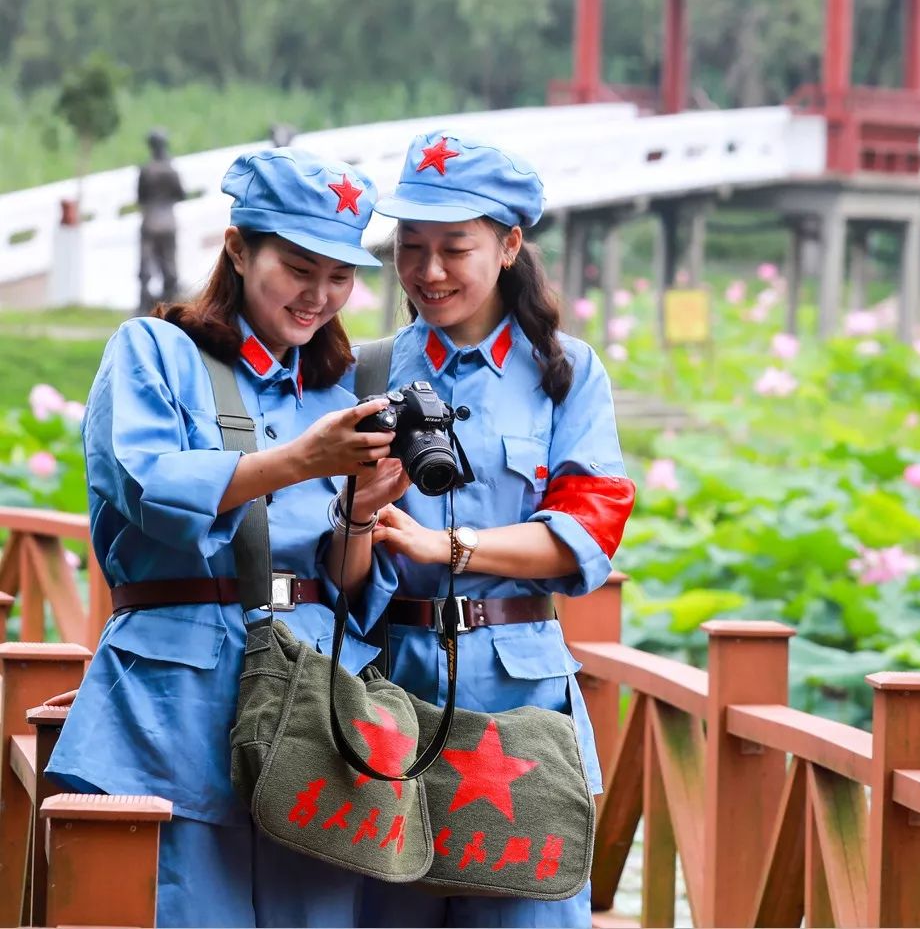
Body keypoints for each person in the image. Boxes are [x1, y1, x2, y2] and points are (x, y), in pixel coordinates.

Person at [47, 146, 410, 929]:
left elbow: (347, 585)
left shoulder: (341, 393)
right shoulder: (153, 351)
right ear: (239, 249)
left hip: (318, 707)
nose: (319, 296)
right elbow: (148, 488)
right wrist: (300, 460)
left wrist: (360, 515)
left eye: (339, 276)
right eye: (299, 268)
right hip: (175, 702)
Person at [351, 131, 636, 929]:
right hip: (389, 696)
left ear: (509, 246)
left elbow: (587, 531)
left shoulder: (568, 372)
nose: (429, 271)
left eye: (455, 248)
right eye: (411, 247)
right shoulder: (364, 371)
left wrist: (445, 547)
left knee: (529, 912)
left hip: (521, 705)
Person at [137, 127, 187, 312]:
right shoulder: (171, 170)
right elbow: (181, 194)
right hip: (168, 221)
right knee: (169, 263)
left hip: (150, 221)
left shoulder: (145, 170)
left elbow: (140, 197)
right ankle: (169, 303)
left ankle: (143, 304)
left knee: (145, 264)